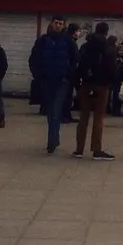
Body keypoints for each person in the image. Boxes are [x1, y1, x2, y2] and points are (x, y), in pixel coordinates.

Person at [29, 15, 79, 154]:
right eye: (56, 23)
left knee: (55, 110)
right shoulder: (43, 41)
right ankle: (53, 138)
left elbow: (75, 60)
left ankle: (52, 140)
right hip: (46, 80)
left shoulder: (68, 42)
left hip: (61, 81)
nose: (58, 26)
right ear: (51, 24)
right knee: (50, 110)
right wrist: (38, 75)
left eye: (61, 24)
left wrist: (68, 76)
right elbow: (34, 59)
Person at [73, 22, 117, 161]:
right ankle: (96, 150)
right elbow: (112, 69)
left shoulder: (86, 46)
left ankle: (79, 149)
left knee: (83, 117)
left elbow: (78, 65)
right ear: (106, 32)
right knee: (98, 117)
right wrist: (110, 82)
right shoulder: (108, 48)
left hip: (86, 84)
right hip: (101, 86)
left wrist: (79, 83)